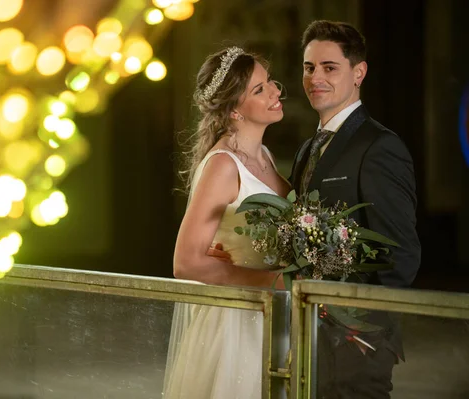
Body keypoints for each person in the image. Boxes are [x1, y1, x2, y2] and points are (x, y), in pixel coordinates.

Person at [291, 20, 422, 398]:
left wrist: (364, 333)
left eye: (329, 67)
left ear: (359, 72)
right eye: (309, 67)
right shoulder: (307, 149)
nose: (316, 77)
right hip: (310, 333)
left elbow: (402, 256)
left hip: (358, 345)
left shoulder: (380, 147)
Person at [163, 46, 289, 399]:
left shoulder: (263, 156)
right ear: (234, 109)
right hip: (235, 324)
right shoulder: (222, 165)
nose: (276, 91)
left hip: (266, 314)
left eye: (271, 83)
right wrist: (271, 280)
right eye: (260, 89)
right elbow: (185, 262)